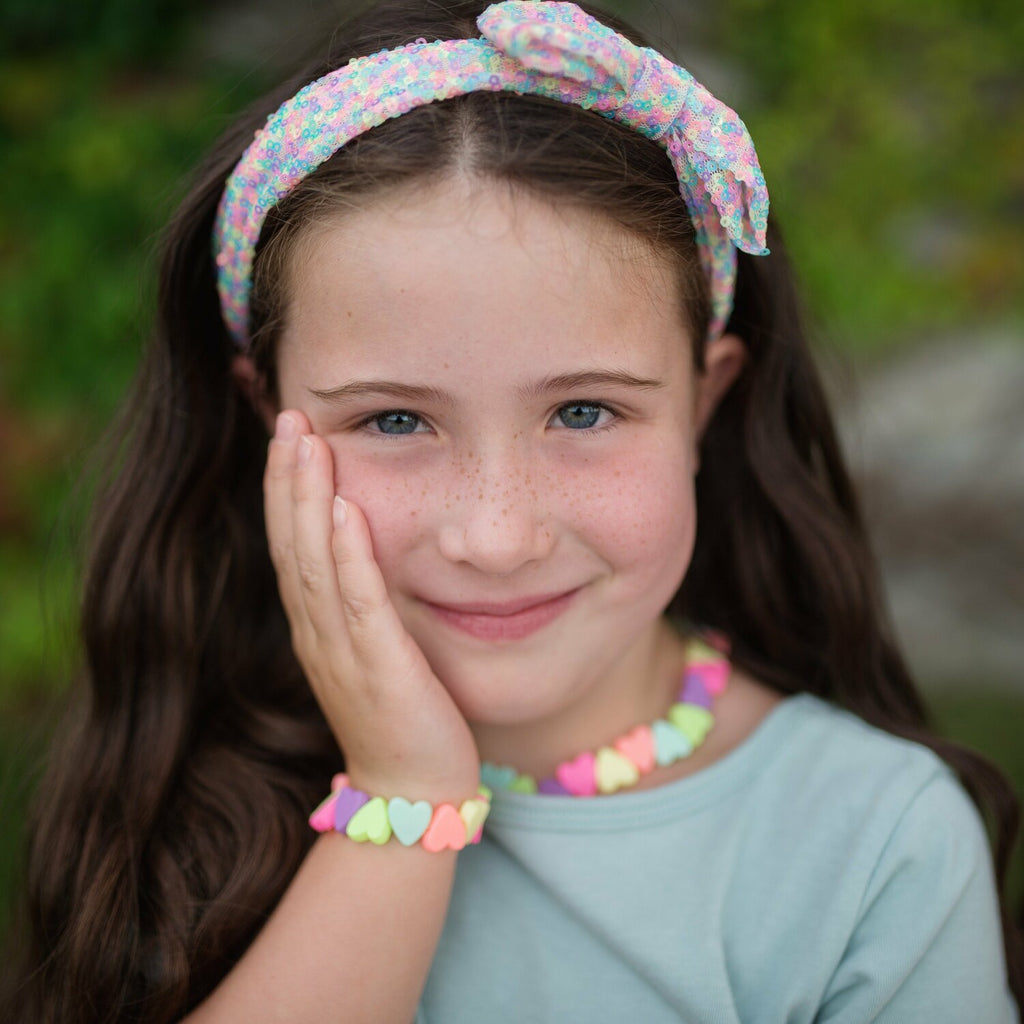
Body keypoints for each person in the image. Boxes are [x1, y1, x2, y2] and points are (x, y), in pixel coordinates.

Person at [2, 1, 1021, 1021]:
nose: (495, 537)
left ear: (706, 400)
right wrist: (403, 795)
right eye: (395, 420)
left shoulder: (876, 844)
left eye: (584, 410)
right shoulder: (178, 806)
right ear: (266, 418)